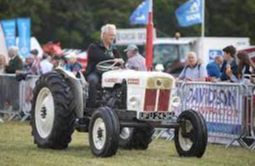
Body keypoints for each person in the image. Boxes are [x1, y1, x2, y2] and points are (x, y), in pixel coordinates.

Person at [85, 24, 123, 107]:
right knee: (93, 80)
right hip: (96, 72)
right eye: (111, 35)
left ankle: (119, 103)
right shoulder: (94, 47)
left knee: (123, 81)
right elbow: (101, 57)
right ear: (104, 35)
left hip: (111, 73)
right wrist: (114, 60)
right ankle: (92, 105)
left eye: (114, 35)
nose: (113, 37)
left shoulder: (114, 49)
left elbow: (120, 60)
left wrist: (121, 61)